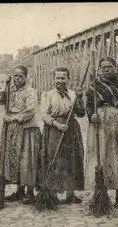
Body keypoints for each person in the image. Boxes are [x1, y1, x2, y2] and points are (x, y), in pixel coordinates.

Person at [84, 57, 118, 208]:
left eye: (109, 67)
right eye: (103, 67)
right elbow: (88, 105)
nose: (106, 70)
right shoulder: (95, 86)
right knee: (101, 157)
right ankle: (102, 192)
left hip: (117, 126)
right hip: (99, 126)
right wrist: (91, 115)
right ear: (99, 69)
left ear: (115, 67)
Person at [40, 67, 85, 203]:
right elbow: (44, 114)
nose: (60, 81)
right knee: (54, 159)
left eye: (63, 78)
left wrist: (79, 98)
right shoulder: (48, 95)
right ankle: (52, 194)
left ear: (68, 79)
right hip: (54, 130)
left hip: (71, 130)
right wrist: (57, 124)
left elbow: (81, 113)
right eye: (57, 78)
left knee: (71, 159)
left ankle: (70, 194)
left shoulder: (73, 94)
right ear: (54, 79)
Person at [0, 65, 41, 205]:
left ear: (25, 77)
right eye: (15, 76)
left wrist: (15, 117)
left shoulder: (31, 92)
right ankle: (19, 190)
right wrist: (5, 85)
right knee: (15, 158)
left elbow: (31, 110)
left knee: (28, 159)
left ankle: (29, 192)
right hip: (12, 130)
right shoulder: (10, 90)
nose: (17, 78)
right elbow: (0, 101)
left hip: (28, 129)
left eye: (20, 76)